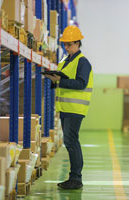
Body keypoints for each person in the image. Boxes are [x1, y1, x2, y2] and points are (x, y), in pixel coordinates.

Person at [45, 25, 93, 190]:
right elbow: (62, 82)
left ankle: (76, 178)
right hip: (65, 108)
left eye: (70, 44)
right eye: (65, 44)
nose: (67, 47)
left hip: (75, 109)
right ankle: (74, 177)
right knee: (71, 142)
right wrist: (53, 79)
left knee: (71, 142)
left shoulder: (83, 62)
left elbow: (81, 83)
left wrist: (59, 80)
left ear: (78, 43)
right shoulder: (64, 61)